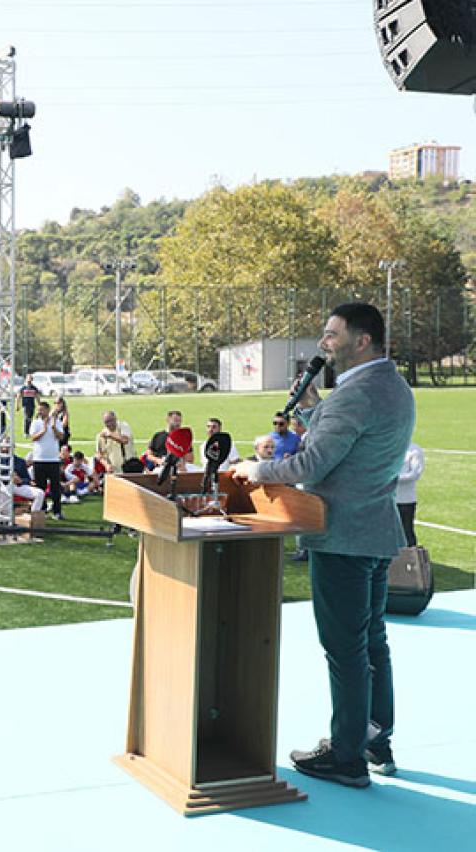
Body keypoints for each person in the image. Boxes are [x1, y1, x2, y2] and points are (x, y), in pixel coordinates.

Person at [232, 302, 414, 788]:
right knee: (372, 642)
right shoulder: (391, 386)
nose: (323, 343)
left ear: (363, 340)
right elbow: (348, 449)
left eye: (333, 335)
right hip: (375, 532)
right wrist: (314, 408)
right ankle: (376, 739)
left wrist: (256, 470)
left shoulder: (355, 395)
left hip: (344, 538)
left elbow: (309, 467)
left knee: (346, 649)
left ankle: (347, 756)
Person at [29, 401, 64, 521]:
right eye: (38, 410)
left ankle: (57, 511)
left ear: (47, 410)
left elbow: (61, 437)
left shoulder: (56, 422)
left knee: (55, 487)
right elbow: (33, 437)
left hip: (53, 459)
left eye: (42, 410)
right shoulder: (35, 423)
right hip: (39, 459)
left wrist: (53, 428)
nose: (39, 412)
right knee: (40, 487)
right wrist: (43, 430)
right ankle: (42, 510)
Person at [395, 443, 424, 548]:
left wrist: (393, 478)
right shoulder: (388, 447)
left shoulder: (414, 450)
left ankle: (411, 561)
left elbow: (415, 474)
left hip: (405, 500)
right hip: (386, 500)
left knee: (407, 532)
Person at [94, 410, 135, 477]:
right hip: (114, 470)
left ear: (116, 419)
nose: (109, 424)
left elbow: (125, 440)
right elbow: (99, 454)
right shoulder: (101, 436)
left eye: (111, 420)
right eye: (107, 422)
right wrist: (106, 465)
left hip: (130, 467)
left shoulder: (123, 426)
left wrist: (110, 435)